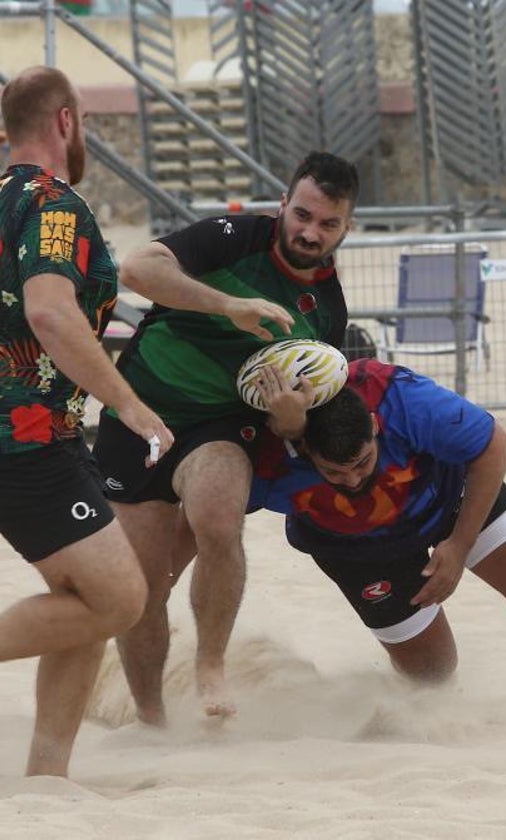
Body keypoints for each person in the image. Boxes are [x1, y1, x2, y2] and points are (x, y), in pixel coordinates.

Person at [0, 66, 175, 777]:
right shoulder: (55, 204)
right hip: (19, 438)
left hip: (5, 431)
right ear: (65, 121)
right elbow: (51, 314)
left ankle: (48, 777)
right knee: (119, 598)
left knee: (83, 600)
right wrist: (131, 404)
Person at [91, 151, 359, 725]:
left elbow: (297, 431)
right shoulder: (232, 237)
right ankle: (151, 717)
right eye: (303, 216)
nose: (310, 233)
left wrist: (291, 419)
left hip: (219, 424)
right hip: (137, 409)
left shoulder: (328, 311)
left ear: (346, 228)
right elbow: (136, 271)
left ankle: (211, 664)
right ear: (282, 206)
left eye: (327, 224)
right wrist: (229, 305)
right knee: (140, 593)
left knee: (216, 518)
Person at [240, 357, 506, 722]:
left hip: (448, 498)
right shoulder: (268, 460)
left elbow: (493, 444)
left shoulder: (400, 399)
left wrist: (460, 545)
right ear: (305, 451)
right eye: (334, 472)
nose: (353, 480)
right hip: (354, 546)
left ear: (374, 426)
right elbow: (200, 515)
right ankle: (402, 722)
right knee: (432, 670)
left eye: (362, 463)